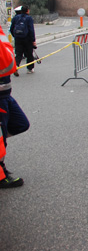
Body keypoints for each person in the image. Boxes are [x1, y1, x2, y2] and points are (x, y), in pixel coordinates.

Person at [0, 24, 29, 188]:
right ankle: (1, 176)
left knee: (20, 123)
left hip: (5, 93)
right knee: (0, 139)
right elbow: (6, 61)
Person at [10, 5, 36, 76]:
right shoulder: (29, 18)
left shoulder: (16, 18)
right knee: (29, 54)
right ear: (27, 10)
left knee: (18, 54)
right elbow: (31, 30)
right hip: (27, 39)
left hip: (18, 38)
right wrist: (33, 40)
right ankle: (30, 69)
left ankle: (16, 66)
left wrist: (15, 36)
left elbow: (11, 29)